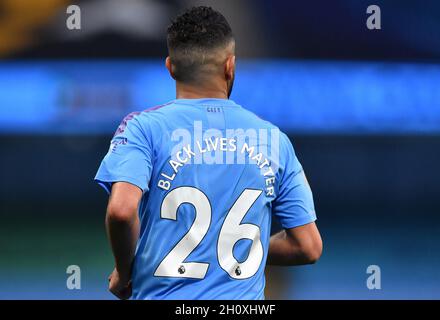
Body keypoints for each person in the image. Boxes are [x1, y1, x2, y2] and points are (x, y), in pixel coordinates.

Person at [94, 6, 322, 300]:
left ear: (170, 67)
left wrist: (124, 271)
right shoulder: (274, 140)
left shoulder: (142, 129)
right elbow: (308, 246)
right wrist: (231, 248)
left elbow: (122, 211)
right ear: (230, 66)